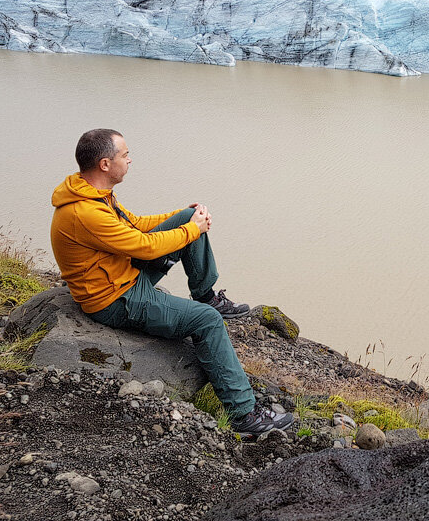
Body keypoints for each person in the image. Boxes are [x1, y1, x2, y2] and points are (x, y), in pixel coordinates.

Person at [49, 128, 292, 436]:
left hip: (122, 275)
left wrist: (186, 216)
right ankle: (245, 416)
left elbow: (135, 225)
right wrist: (193, 230)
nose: (130, 160)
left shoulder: (93, 194)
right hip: (115, 299)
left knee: (186, 221)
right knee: (207, 320)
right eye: (125, 155)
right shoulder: (85, 213)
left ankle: (205, 294)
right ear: (105, 164)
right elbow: (144, 246)